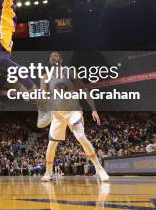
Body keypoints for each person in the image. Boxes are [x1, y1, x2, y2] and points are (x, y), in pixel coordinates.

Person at [39, 51, 109, 182]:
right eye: (51, 56)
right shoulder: (45, 77)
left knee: (81, 136)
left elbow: (83, 89)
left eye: (56, 55)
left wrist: (93, 110)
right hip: (58, 114)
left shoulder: (69, 72)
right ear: (50, 61)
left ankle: (99, 169)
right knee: (51, 146)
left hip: (73, 110)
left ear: (61, 59)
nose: (53, 57)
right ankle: (48, 172)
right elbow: (43, 97)